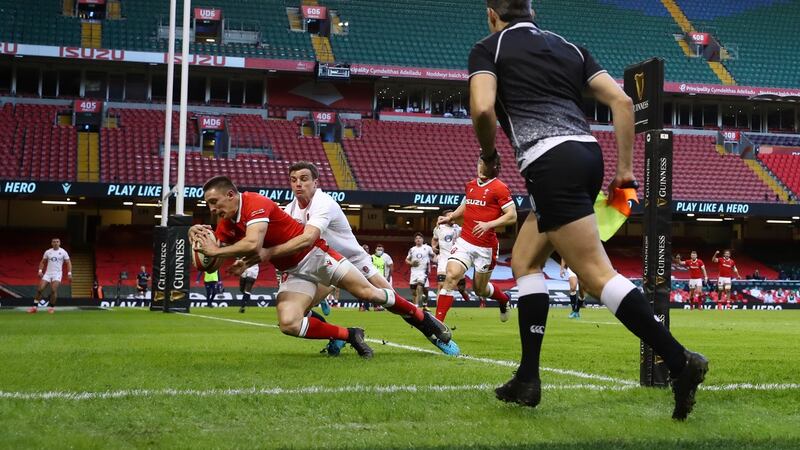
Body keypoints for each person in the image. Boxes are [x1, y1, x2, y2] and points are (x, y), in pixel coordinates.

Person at [467, 0, 707, 420]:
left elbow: (483, 107)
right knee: (524, 261)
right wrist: (625, 173)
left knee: (596, 275)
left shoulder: (489, 48)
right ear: (532, 11)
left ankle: (679, 361)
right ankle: (527, 378)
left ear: (492, 14)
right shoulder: (572, 48)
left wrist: (488, 155)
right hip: (585, 154)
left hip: (548, 162)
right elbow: (623, 103)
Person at [191, 175, 458, 357]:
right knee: (289, 323)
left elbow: (253, 244)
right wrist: (198, 242)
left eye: (214, 202)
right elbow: (208, 262)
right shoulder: (227, 222)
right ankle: (348, 334)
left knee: (370, 294)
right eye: (294, 180)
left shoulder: (256, 202)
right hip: (293, 270)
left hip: (319, 256)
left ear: (231, 195)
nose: (212, 209)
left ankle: (425, 322)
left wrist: (218, 249)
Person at [435, 160, 517, 323]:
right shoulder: (471, 185)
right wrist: (451, 217)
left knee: (480, 290)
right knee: (450, 277)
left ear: (495, 168)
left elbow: (512, 215)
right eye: (480, 163)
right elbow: (466, 204)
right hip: (464, 241)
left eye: (486, 164)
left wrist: (489, 224)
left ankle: (503, 299)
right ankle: (438, 326)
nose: (482, 167)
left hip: (486, 247)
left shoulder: (500, 188)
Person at [432, 213, 471, 303]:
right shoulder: (439, 228)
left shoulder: (458, 228)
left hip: (457, 259)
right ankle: (439, 312)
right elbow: (434, 239)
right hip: (443, 259)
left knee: (461, 288)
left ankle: (464, 294)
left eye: (454, 215)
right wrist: (433, 246)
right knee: (441, 286)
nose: (453, 217)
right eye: (450, 216)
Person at [29, 238, 71, 314]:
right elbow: (43, 262)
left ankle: (51, 308)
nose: (55, 243)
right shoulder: (48, 252)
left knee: (53, 290)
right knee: (40, 289)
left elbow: (68, 263)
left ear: (60, 243)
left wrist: (69, 273)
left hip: (57, 274)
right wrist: (40, 271)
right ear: (51, 243)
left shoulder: (63, 252)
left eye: (57, 242)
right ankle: (34, 307)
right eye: (54, 242)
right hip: (48, 273)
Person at [406, 233, 436, 310]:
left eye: (420, 238)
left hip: (423, 272)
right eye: (416, 238)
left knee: (420, 286)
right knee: (415, 291)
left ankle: (416, 306)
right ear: (415, 240)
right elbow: (406, 260)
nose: (418, 239)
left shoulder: (427, 248)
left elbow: (433, 256)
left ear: (422, 239)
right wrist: (411, 263)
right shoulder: (412, 249)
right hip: (414, 272)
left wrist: (435, 262)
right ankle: (424, 305)